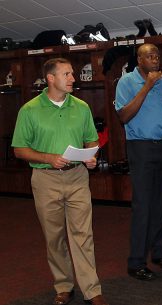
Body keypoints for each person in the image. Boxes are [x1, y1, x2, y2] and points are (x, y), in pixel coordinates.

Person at [11, 58, 108, 305]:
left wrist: (92, 156)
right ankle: (64, 285)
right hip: (45, 179)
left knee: (83, 234)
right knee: (54, 236)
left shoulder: (82, 107)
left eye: (72, 74)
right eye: (67, 74)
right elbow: (19, 149)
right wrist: (48, 158)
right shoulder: (30, 110)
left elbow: (90, 140)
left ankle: (92, 291)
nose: (73, 78)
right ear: (51, 79)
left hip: (77, 177)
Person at [115, 43, 162, 281]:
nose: (155, 60)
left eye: (157, 56)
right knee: (143, 205)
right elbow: (124, 116)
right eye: (150, 56)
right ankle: (136, 262)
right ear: (139, 60)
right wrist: (147, 86)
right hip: (140, 147)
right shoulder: (126, 83)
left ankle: (159, 253)